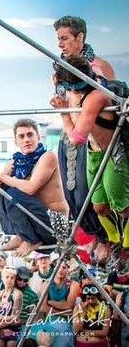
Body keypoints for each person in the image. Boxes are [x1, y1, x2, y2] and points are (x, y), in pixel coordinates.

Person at [51, 55, 129, 272]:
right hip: (95, 153)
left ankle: (126, 245)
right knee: (99, 207)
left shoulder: (95, 96)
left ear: (72, 87)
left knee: (122, 208)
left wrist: (64, 114)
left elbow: (77, 137)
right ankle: (114, 239)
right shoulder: (87, 85)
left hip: (114, 153)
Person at [52, 15, 116, 265]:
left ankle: (103, 236)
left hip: (89, 135)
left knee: (86, 186)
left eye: (65, 38)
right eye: (58, 39)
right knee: (72, 191)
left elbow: (109, 103)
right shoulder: (59, 68)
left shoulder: (100, 66)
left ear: (80, 38)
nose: (60, 44)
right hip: (68, 131)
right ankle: (91, 233)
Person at [0, 118, 69, 257]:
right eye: (21, 136)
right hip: (36, 225)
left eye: (30, 135)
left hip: (54, 225)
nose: (26, 140)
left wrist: (1, 176)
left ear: (38, 137)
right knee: (4, 191)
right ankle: (22, 236)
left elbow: (30, 188)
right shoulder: (15, 163)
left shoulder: (48, 157)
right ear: (16, 142)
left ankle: (30, 239)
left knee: (13, 192)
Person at [29, 260, 78, 347]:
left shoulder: (73, 284)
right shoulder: (45, 283)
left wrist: (49, 302)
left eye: (64, 268)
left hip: (66, 324)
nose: (60, 270)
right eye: (57, 267)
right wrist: (63, 312)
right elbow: (42, 308)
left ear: (68, 269)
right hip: (49, 323)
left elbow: (68, 305)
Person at [0, 265, 23, 346]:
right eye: (7, 277)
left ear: (15, 279)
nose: (9, 280)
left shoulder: (17, 294)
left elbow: (14, 317)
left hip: (12, 331)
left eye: (12, 278)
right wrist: (4, 320)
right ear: (2, 278)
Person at [14, 266, 39, 336]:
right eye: (20, 279)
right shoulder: (10, 290)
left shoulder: (32, 295)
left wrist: (21, 322)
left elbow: (31, 316)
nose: (22, 282)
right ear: (16, 277)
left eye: (25, 280)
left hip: (23, 327)